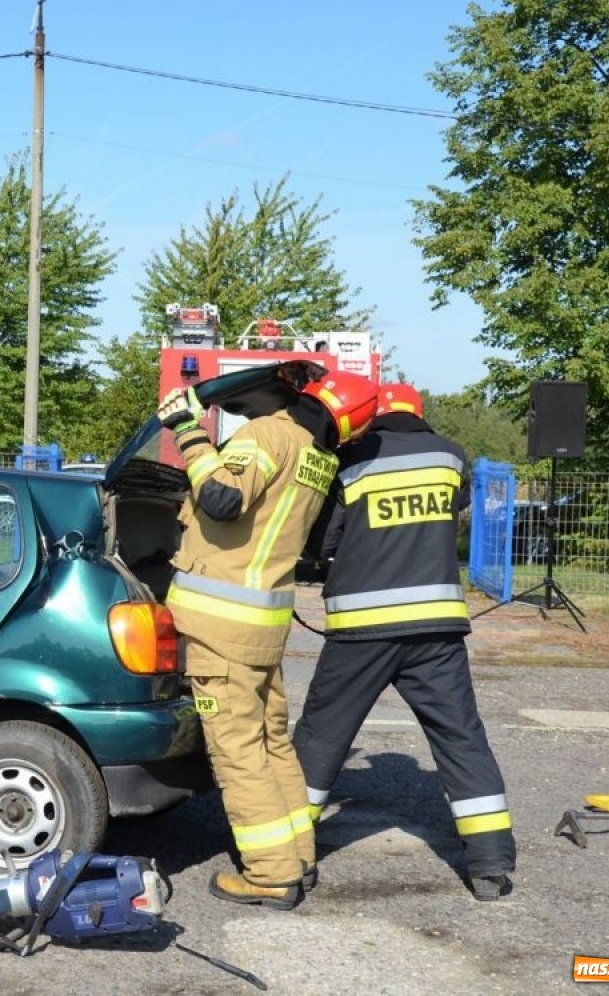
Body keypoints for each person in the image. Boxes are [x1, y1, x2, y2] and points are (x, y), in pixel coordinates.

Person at [156, 369, 378, 910]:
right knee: (272, 745)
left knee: (238, 753)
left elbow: (222, 499)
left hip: (219, 628)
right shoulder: (318, 457)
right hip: (262, 629)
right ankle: (297, 856)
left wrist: (188, 428)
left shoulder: (267, 435)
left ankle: (269, 874)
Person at [291, 381, 518, 901]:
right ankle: (489, 866)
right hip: (437, 628)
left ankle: (290, 856)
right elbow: (451, 511)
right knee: (461, 738)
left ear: (373, 418)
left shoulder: (351, 459)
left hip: (362, 630)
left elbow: (322, 542)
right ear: (420, 414)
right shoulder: (450, 456)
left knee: (323, 737)